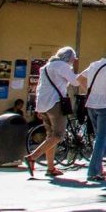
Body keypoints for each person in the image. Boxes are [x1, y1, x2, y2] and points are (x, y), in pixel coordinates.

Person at [24, 47, 77, 178]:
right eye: (73, 58)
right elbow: (75, 81)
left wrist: (37, 107)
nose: (73, 61)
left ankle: (50, 168)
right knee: (58, 135)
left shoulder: (46, 67)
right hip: (55, 103)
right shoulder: (63, 66)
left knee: (50, 136)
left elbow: (39, 87)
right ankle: (32, 157)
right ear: (68, 58)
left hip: (43, 104)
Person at [80, 44, 106, 182]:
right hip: (105, 105)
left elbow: (80, 78)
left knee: (98, 137)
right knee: (102, 138)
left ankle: (99, 168)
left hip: (91, 103)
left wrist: (90, 90)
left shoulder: (94, 64)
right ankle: (93, 171)